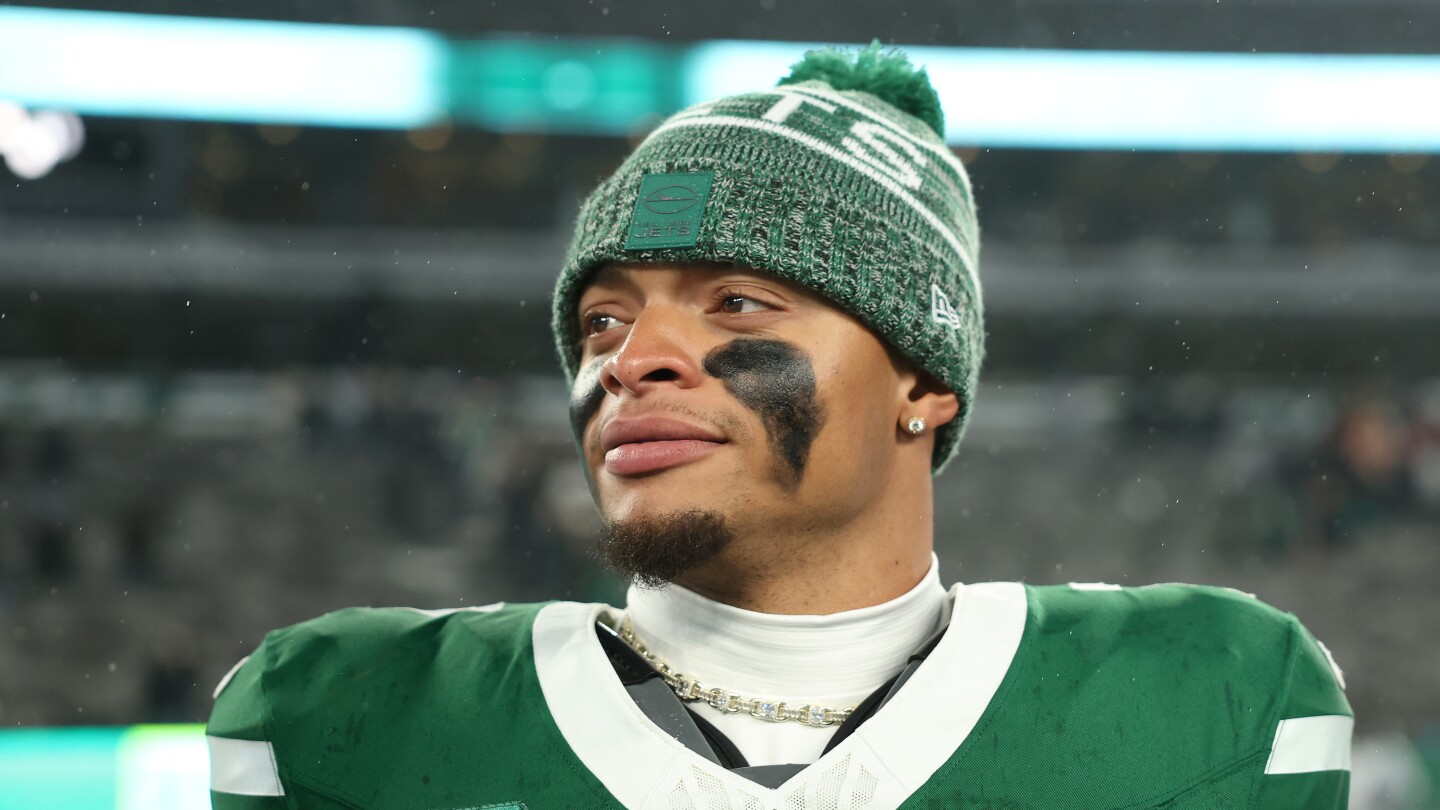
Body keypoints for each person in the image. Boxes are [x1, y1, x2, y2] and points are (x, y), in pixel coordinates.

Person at [206, 44, 1352, 809]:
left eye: (738, 303)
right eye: (603, 320)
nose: (631, 360)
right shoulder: (350, 721)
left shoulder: (1215, 708)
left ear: (922, 380)